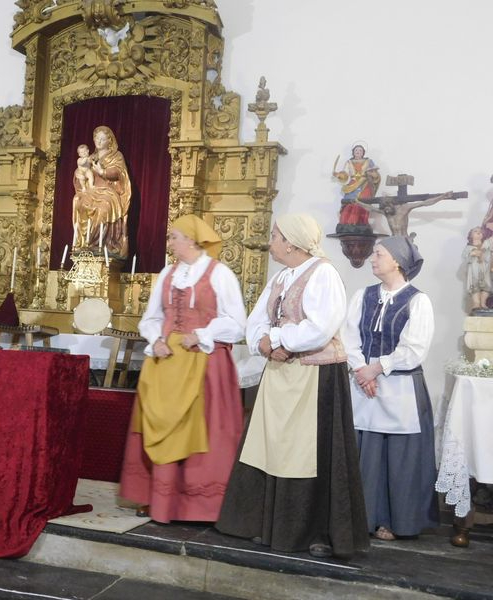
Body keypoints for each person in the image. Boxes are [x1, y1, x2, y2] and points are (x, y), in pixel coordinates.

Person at [216, 214, 368, 559]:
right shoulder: (283, 276)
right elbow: (256, 320)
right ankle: (267, 524)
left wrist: (282, 338)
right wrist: (265, 343)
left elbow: (322, 325)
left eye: (275, 236)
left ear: (292, 242)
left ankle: (311, 530)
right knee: (271, 446)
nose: (270, 242)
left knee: (305, 453)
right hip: (281, 372)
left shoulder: (323, 273)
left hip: (314, 376)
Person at [119, 214, 246, 523]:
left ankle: (199, 504)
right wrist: (157, 339)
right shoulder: (167, 273)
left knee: (201, 428)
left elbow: (237, 323)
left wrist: (202, 335)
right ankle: (157, 498)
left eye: (174, 236)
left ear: (191, 240)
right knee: (158, 425)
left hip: (204, 362)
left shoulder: (220, 274)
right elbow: (150, 317)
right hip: (165, 363)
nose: (170, 242)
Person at [342, 236, 439, 542]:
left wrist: (377, 367)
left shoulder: (417, 300)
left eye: (379, 254)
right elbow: (348, 337)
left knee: (398, 458)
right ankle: (364, 517)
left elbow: (414, 349)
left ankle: (397, 519)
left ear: (396, 260)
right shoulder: (364, 295)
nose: (373, 258)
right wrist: (361, 369)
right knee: (366, 452)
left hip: (400, 388)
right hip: (364, 384)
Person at [72, 126, 132, 257]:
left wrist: (102, 172)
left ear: (109, 141)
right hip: (91, 190)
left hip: (108, 192)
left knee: (103, 206)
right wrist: (79, 174)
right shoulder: (90, 157)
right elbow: (81, 172)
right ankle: (84, 243)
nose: (98, 142)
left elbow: (119, 172)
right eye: (96, 138)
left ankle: (101, 244)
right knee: (79, 202)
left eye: (102, 139)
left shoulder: (116, 156)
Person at [362, 192, 452, 238]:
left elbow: (424, 203)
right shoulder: (386, 213)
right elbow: (371, 208)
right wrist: (357, 203)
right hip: (394, 240)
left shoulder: (404, 208)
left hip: (405, 239)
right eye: (385, 209)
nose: (386, 211)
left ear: (392, 204)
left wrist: (442, 197)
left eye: (387, 208)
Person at [333, 144, 380, 227]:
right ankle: (348, 222)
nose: (358, 152)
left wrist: (374, 175)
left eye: (360, 151)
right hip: (352, 185)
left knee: (363, 203)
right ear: (353, 152)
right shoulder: (349, 162)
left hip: (365, 185)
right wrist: (339, 175)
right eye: (356, 150)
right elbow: (345, 175)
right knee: (349, 203)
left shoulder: (369, 161)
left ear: (363, 153)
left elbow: (375, 173)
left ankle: (362, 222)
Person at [462, 227, 491, 311]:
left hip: (485, 270)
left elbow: (488, 256)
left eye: (481, 232)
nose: (479, 233)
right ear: (471, 235)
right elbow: (464, 256)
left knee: (486, 286)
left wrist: (483, 254)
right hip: (474, 271)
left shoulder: (486, 245)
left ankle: (483, 303)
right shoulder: (468, 247)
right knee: (474, 287)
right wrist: (472, 253)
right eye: (476, 231)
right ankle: (476, 303)